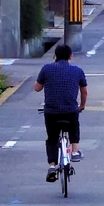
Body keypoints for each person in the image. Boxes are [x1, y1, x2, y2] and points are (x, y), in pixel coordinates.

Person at [33, 44, 87, 182]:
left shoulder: (47, 69)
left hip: (51, 111)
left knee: (52, 139)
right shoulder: (77, 70)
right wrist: (81, 105)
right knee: (74, 125)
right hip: (70, 110)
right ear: (71, 56)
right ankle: (74, 151)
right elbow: (84, 91)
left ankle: (52, 166)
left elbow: (37, 88)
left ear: (55, 56)